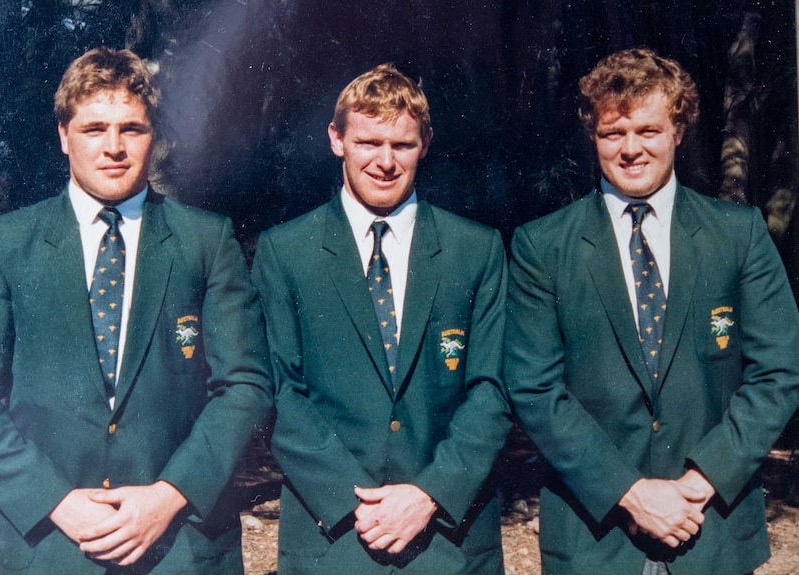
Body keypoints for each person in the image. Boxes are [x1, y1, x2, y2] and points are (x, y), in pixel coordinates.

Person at [0, 47, 273, 574]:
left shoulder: (205, 240)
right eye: (94, 128)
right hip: (50, 547)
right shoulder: (7, 245)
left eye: (132, 129)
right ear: (63, 135)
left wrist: (168, 495)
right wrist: (55, 500)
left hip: (180, 547)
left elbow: (246, 385)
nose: (114, 147)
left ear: (153, 135)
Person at [505, 47, 799, 574]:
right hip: (595, 539)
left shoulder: (739, 235)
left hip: (712, 528)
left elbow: (779, 371)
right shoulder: (542, 246)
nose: (630, 149)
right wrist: (632, 493)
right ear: (593, 137)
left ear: (679, 131)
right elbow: (533, 387)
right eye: (612, 133)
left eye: (648, 130)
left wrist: (699, 481)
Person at [251, 63, 512, 574]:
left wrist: (429, 494)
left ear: (427, 143)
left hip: (449, 538)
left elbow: (493, 388)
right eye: (369, 142)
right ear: (336, 140)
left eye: (403, 145)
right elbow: (278, 391)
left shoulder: (476, 250)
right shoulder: (286, 252)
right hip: (332, 537)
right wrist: (357, 505)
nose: (385, 162)